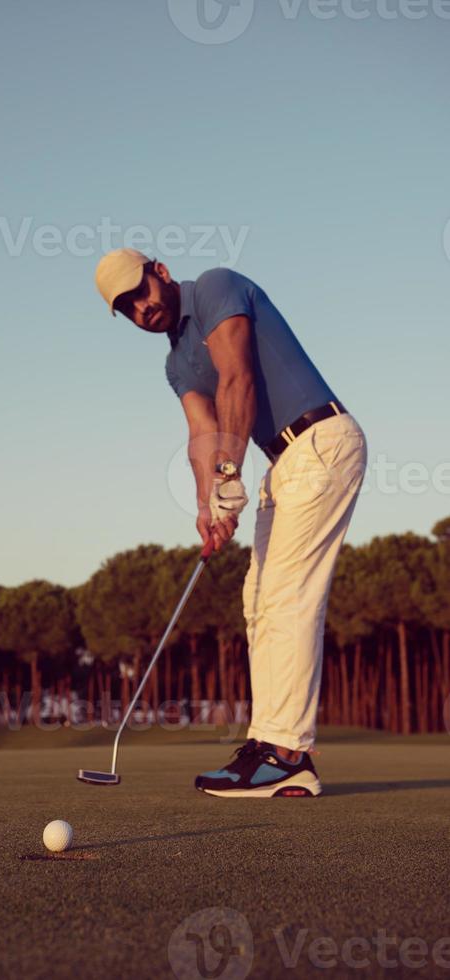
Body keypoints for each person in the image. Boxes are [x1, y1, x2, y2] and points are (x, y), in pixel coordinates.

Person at [94, 248, 367, 798]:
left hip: (321, 440)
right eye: (127, 308)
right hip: (282, 463)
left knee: (288, 595)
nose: (141, 309)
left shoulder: (216, 288)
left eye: (140, 291)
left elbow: (237, 378)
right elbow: (202, 433)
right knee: (259, 598)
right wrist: (208, 506)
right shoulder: (175, 365)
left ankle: (289, 753)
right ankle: (269, 745)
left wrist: (228, 476)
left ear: (160, 272)